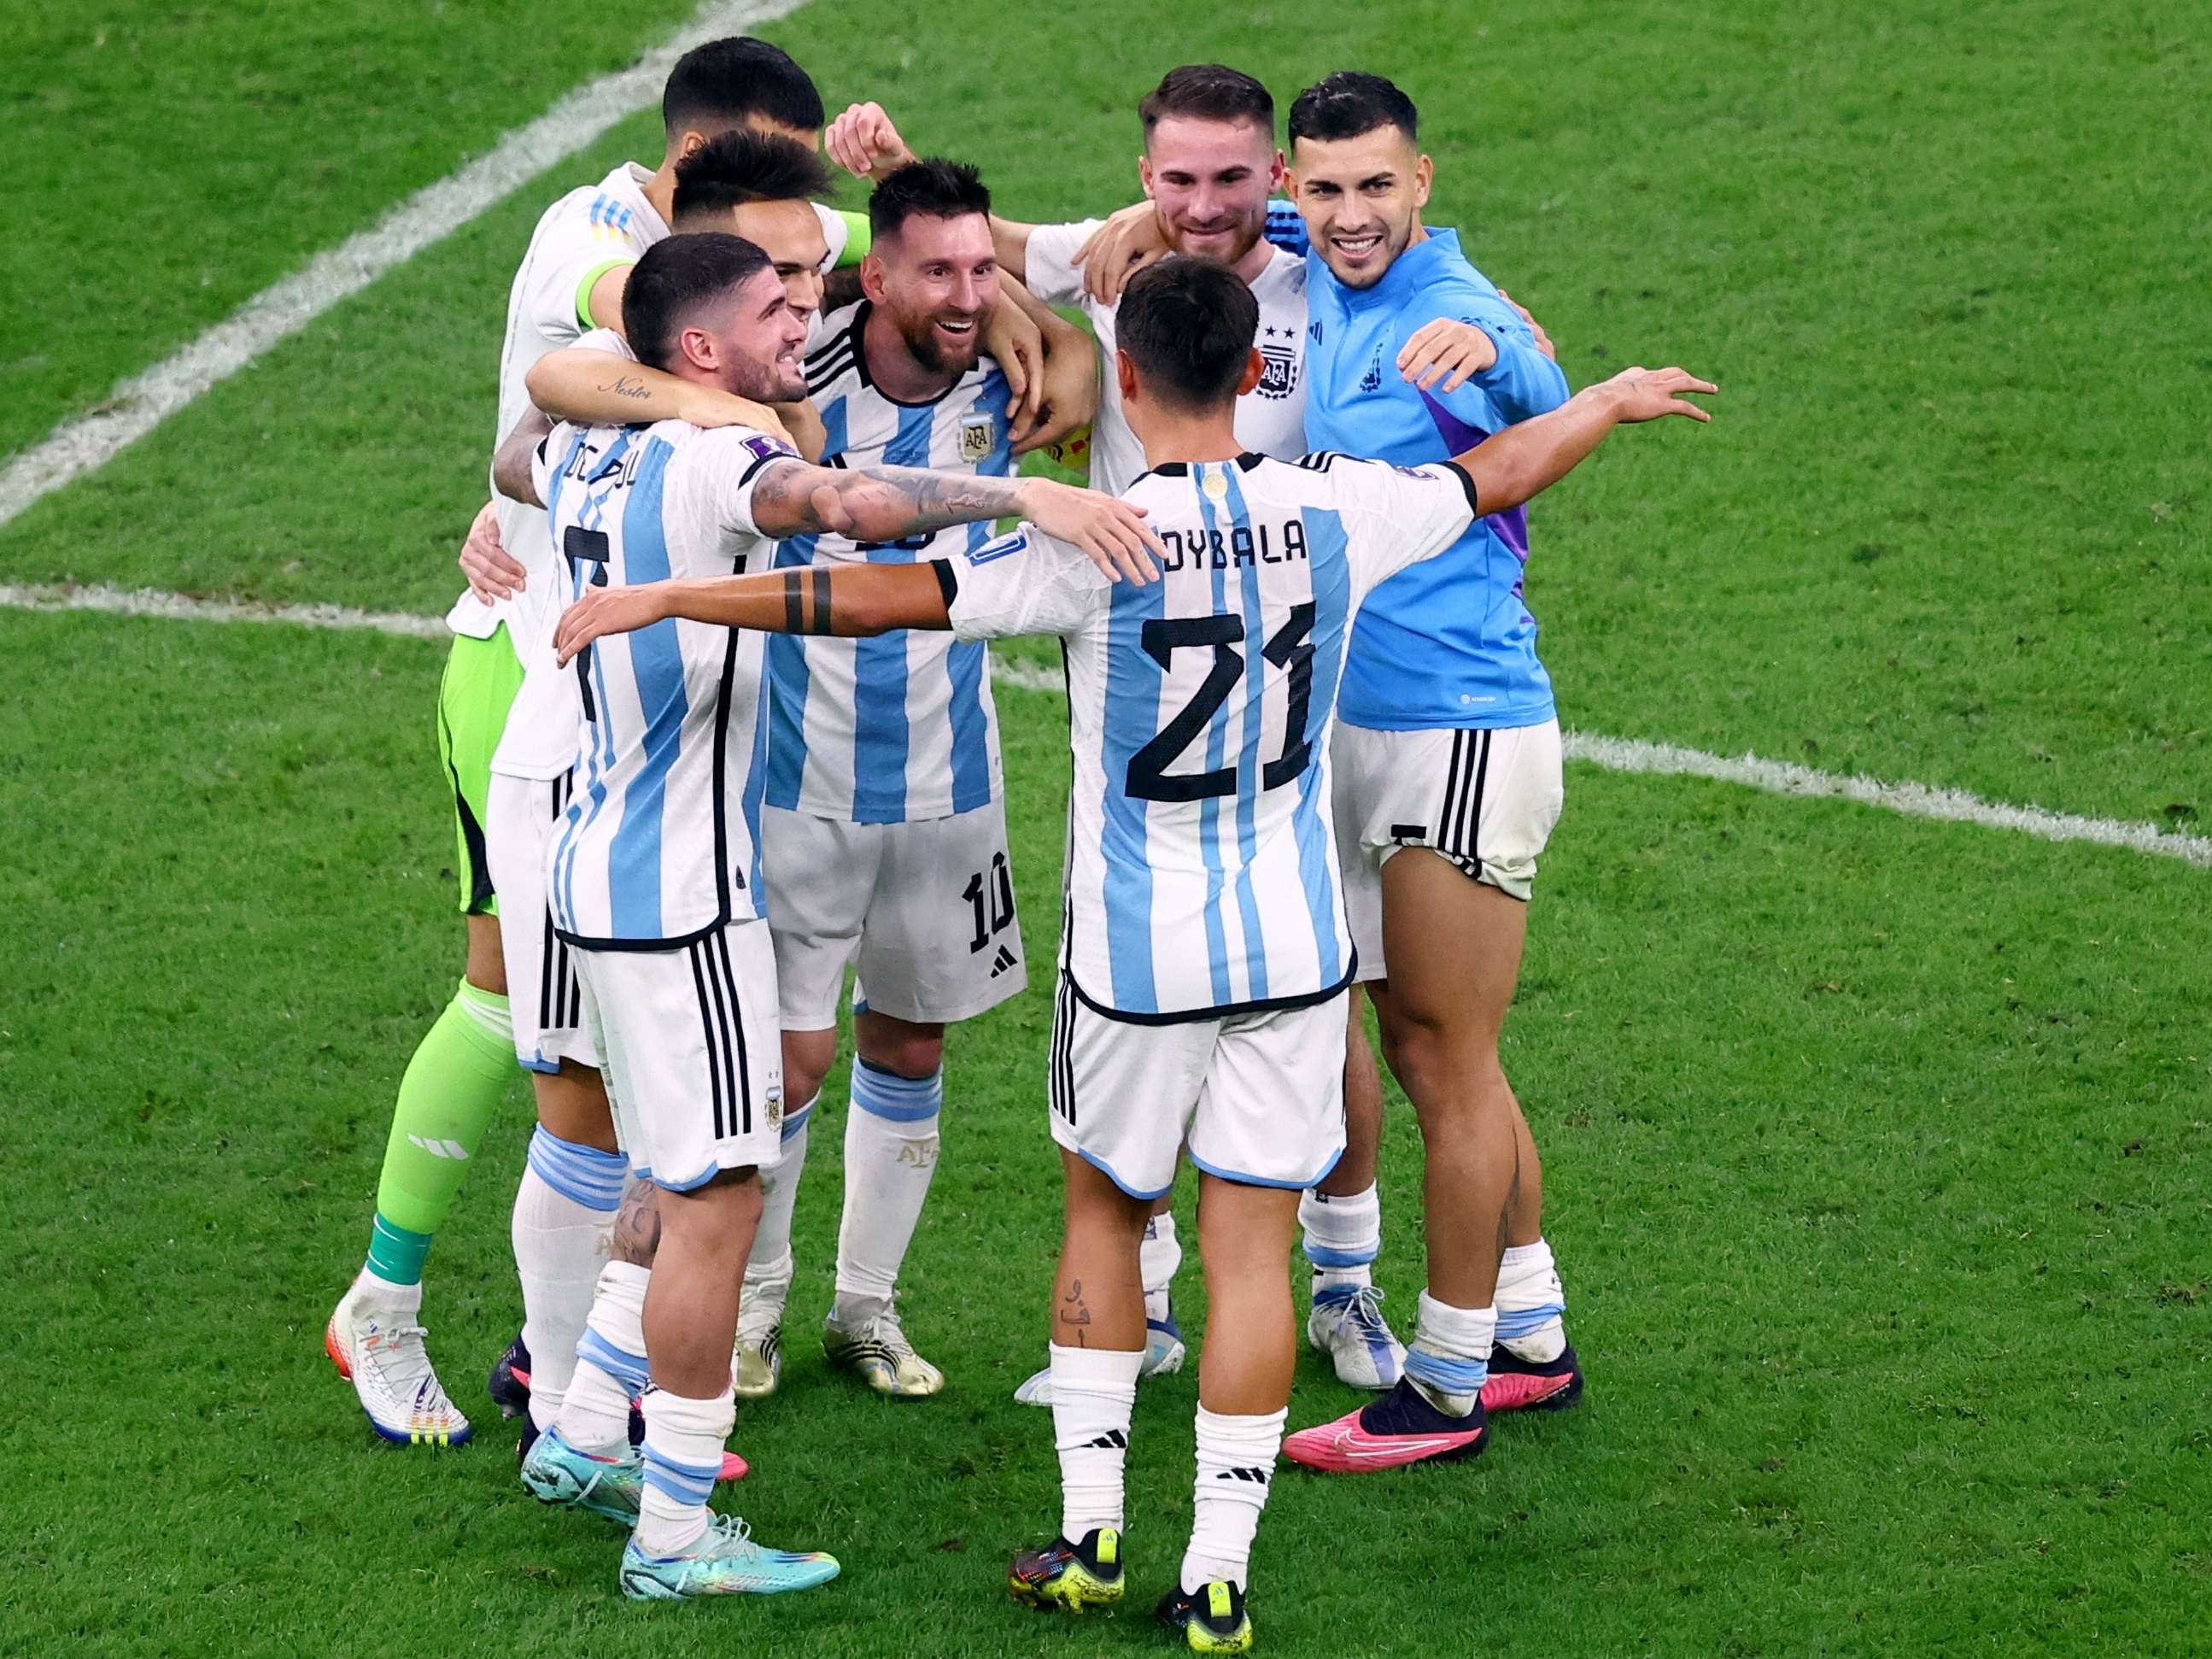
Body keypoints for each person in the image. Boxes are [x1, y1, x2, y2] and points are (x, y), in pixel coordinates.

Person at [547, 254, 1713, 1644]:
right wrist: (1608, 400)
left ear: (1137, 379)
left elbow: (875, 597)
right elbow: (1500, 472)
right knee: (1251, 1252)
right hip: (1290, 951)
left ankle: (1092, 1536)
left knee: (1106, 1216)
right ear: (1247, 376)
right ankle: (1218, 1571)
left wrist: (678, 597)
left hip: (1136, 961)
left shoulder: (1090, 535)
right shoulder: (1337, 503)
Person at [491, 230, 1161, 1600]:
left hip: (592, 858)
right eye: (770, 312)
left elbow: (525, 433)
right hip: (680, 893)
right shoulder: (714, 458)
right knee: (717, 1200)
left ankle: (575, 1432)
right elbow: (845, 508)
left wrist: (670, 396)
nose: (804, 325)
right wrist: (1018, 500)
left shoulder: (584, 444)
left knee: (682, 1174)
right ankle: (675, 1535)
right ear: (696, 347)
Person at [824, 62, 1497, 1401]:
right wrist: (897, 158)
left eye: (1233, 179)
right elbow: (992, 247)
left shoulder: (1333, 274)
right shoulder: (1114, 260)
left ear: (1280, 181)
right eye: (1176, 179)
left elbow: (1433, 280)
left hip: (1308, 682)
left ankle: (1341, 1275)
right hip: (1133, 692)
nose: (1200, 206)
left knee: (1325, 1004)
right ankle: (1143, 1309)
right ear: (1144, 180)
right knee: (1144, 1016)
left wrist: (1502, 333)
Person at [324, 32, 826, 1452]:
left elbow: (877, 243)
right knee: (523, 1028)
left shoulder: (729, 237)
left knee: (595, 1065)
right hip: (536, 691)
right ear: (697, 171)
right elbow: (606, 355)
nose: (800, 285)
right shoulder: (596, 235)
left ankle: (579, 1378)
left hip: (629, 710)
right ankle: (398, 1306)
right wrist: (743, 403)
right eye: (773, 254)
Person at [1277, 72, 1592, 1474]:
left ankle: (1444, 1384)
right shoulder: (1313, 269)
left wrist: (1505, 361)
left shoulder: (1456, 315)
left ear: (1425, 182)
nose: (1351, 216)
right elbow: (1187, 212)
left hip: (1455, 724)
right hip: (1362, 723)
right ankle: (1528, 1330)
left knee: (1441, 1056)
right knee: (1428, 1047)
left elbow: (1541, 397)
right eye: (1324, 188)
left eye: (1376, 187)